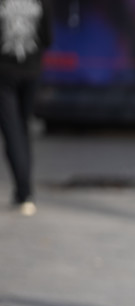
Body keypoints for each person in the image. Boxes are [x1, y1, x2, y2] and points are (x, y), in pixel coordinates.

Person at [0, 0, 52, 216]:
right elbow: (47, 37)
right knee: (23, 128)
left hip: (4, 74)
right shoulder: (41, 2)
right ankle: (26, 192)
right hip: (31, 72)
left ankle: (23, 190)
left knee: (12, 132)